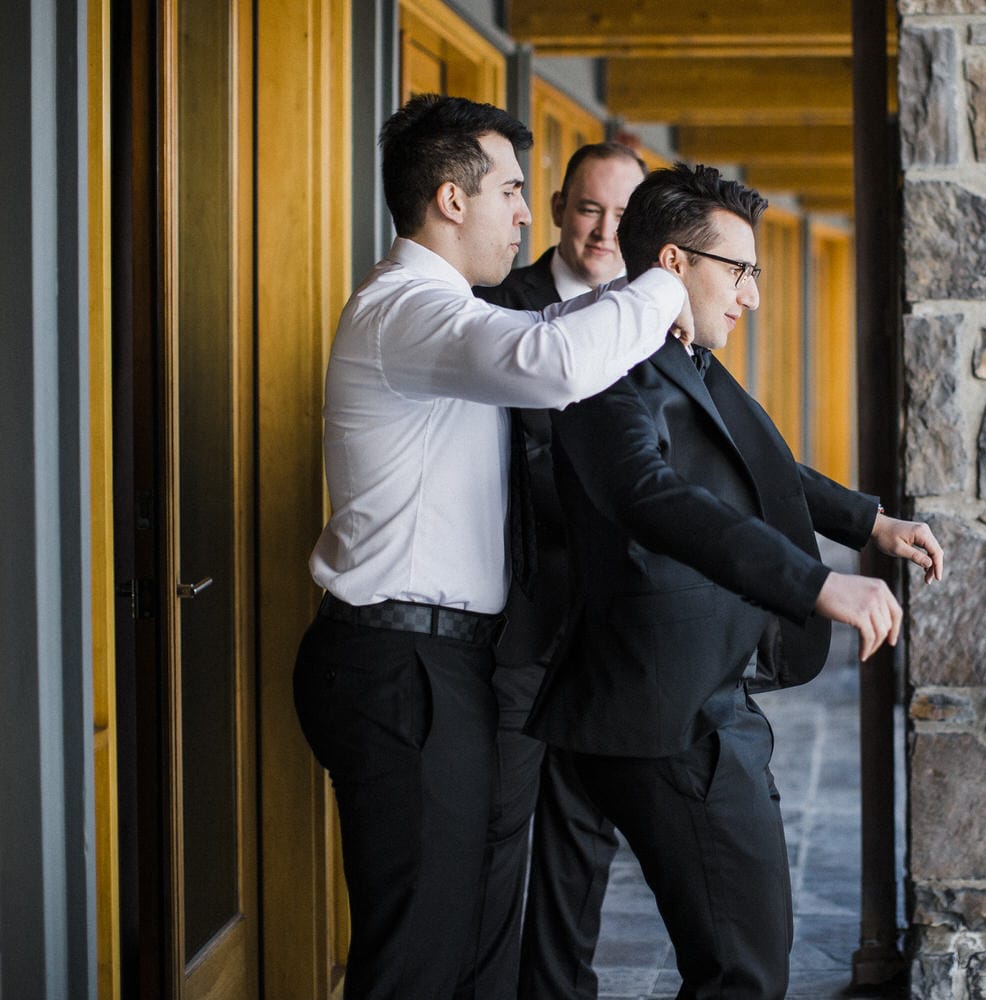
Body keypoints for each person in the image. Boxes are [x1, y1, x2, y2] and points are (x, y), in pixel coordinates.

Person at [290, 95, 693, 1000]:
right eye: (513, 190)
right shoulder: (407, 313)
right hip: (402, 667)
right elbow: (550, 363)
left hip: (443, 665)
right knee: (415, 963)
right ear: (450, 199)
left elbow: (548, 343)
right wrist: (672, 275)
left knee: (471, 944)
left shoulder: (449, 314)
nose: (524, 211)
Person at [526, 163, 944, 999]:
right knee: (744, 972)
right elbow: (652, 495)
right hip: (667, 702)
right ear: (674, 265)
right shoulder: (610, 358)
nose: (752, 295)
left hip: (664, 691)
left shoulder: (682, 353)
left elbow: (759, 463)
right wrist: (814, 583)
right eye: (740, 270)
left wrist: (869, 525)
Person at [471, 142, 648, 998]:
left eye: (624, 215)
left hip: (604, 632)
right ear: (554, 209)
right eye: (589, 209)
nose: (606, 230)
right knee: (498, 838)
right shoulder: (493, 309)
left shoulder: (650, 320)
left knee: (583, 846)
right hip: (515, 626)